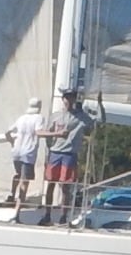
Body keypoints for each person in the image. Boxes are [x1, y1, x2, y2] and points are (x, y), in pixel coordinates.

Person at [38, 89, 93, 226]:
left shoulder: (81, 117)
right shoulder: (55, 116)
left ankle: (63, 216)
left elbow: (94, 124)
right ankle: (47, 215)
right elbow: (44, 132)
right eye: (67, 97)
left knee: (65, 187)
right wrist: (56, 134)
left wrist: (95, 106)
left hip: (69, 153)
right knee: (50, 184)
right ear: (63, 99)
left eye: (72, 97)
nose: (69, 100)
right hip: (55, 152)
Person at [3, 97, 45, 210]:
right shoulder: (39, 118)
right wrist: (55, 133)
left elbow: (7, 132)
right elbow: (39, 132)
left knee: (18, 174)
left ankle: (12, 194)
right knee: (24, 180)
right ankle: (18, 206)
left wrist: (12, 142)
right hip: (28, 152)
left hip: (16, 151)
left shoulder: (22, 118)